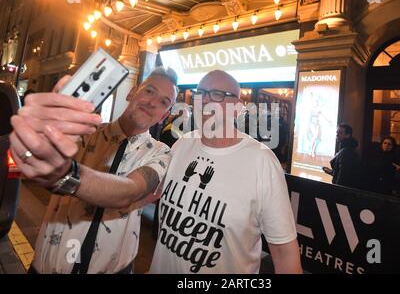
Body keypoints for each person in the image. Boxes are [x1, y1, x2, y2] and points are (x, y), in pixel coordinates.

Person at [8, 67, 178, 274]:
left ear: (165, 116)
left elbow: (131, 190)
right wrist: (40, 139)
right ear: (131, 92)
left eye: (163, 102)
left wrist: (66, 175)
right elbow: (36, 160)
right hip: (47, 266)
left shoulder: (162, 154)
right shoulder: (85, 133)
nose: (152, 103)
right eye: (149, 91)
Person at [149, 70, 302, 274]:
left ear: (238, 108)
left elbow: (285, 254)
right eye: (201, 92)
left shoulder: (262, 162)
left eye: (217, 95)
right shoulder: (182, 144)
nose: (205, 100)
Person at [323, 124, 360, 188]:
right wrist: (331, 171)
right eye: (337, 132)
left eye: (340, 133)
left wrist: (336, 190)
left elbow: (343, 176)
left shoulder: (346, 151)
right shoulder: (348, 149)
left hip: (342, 192)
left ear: (347, 135)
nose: (337, 135)